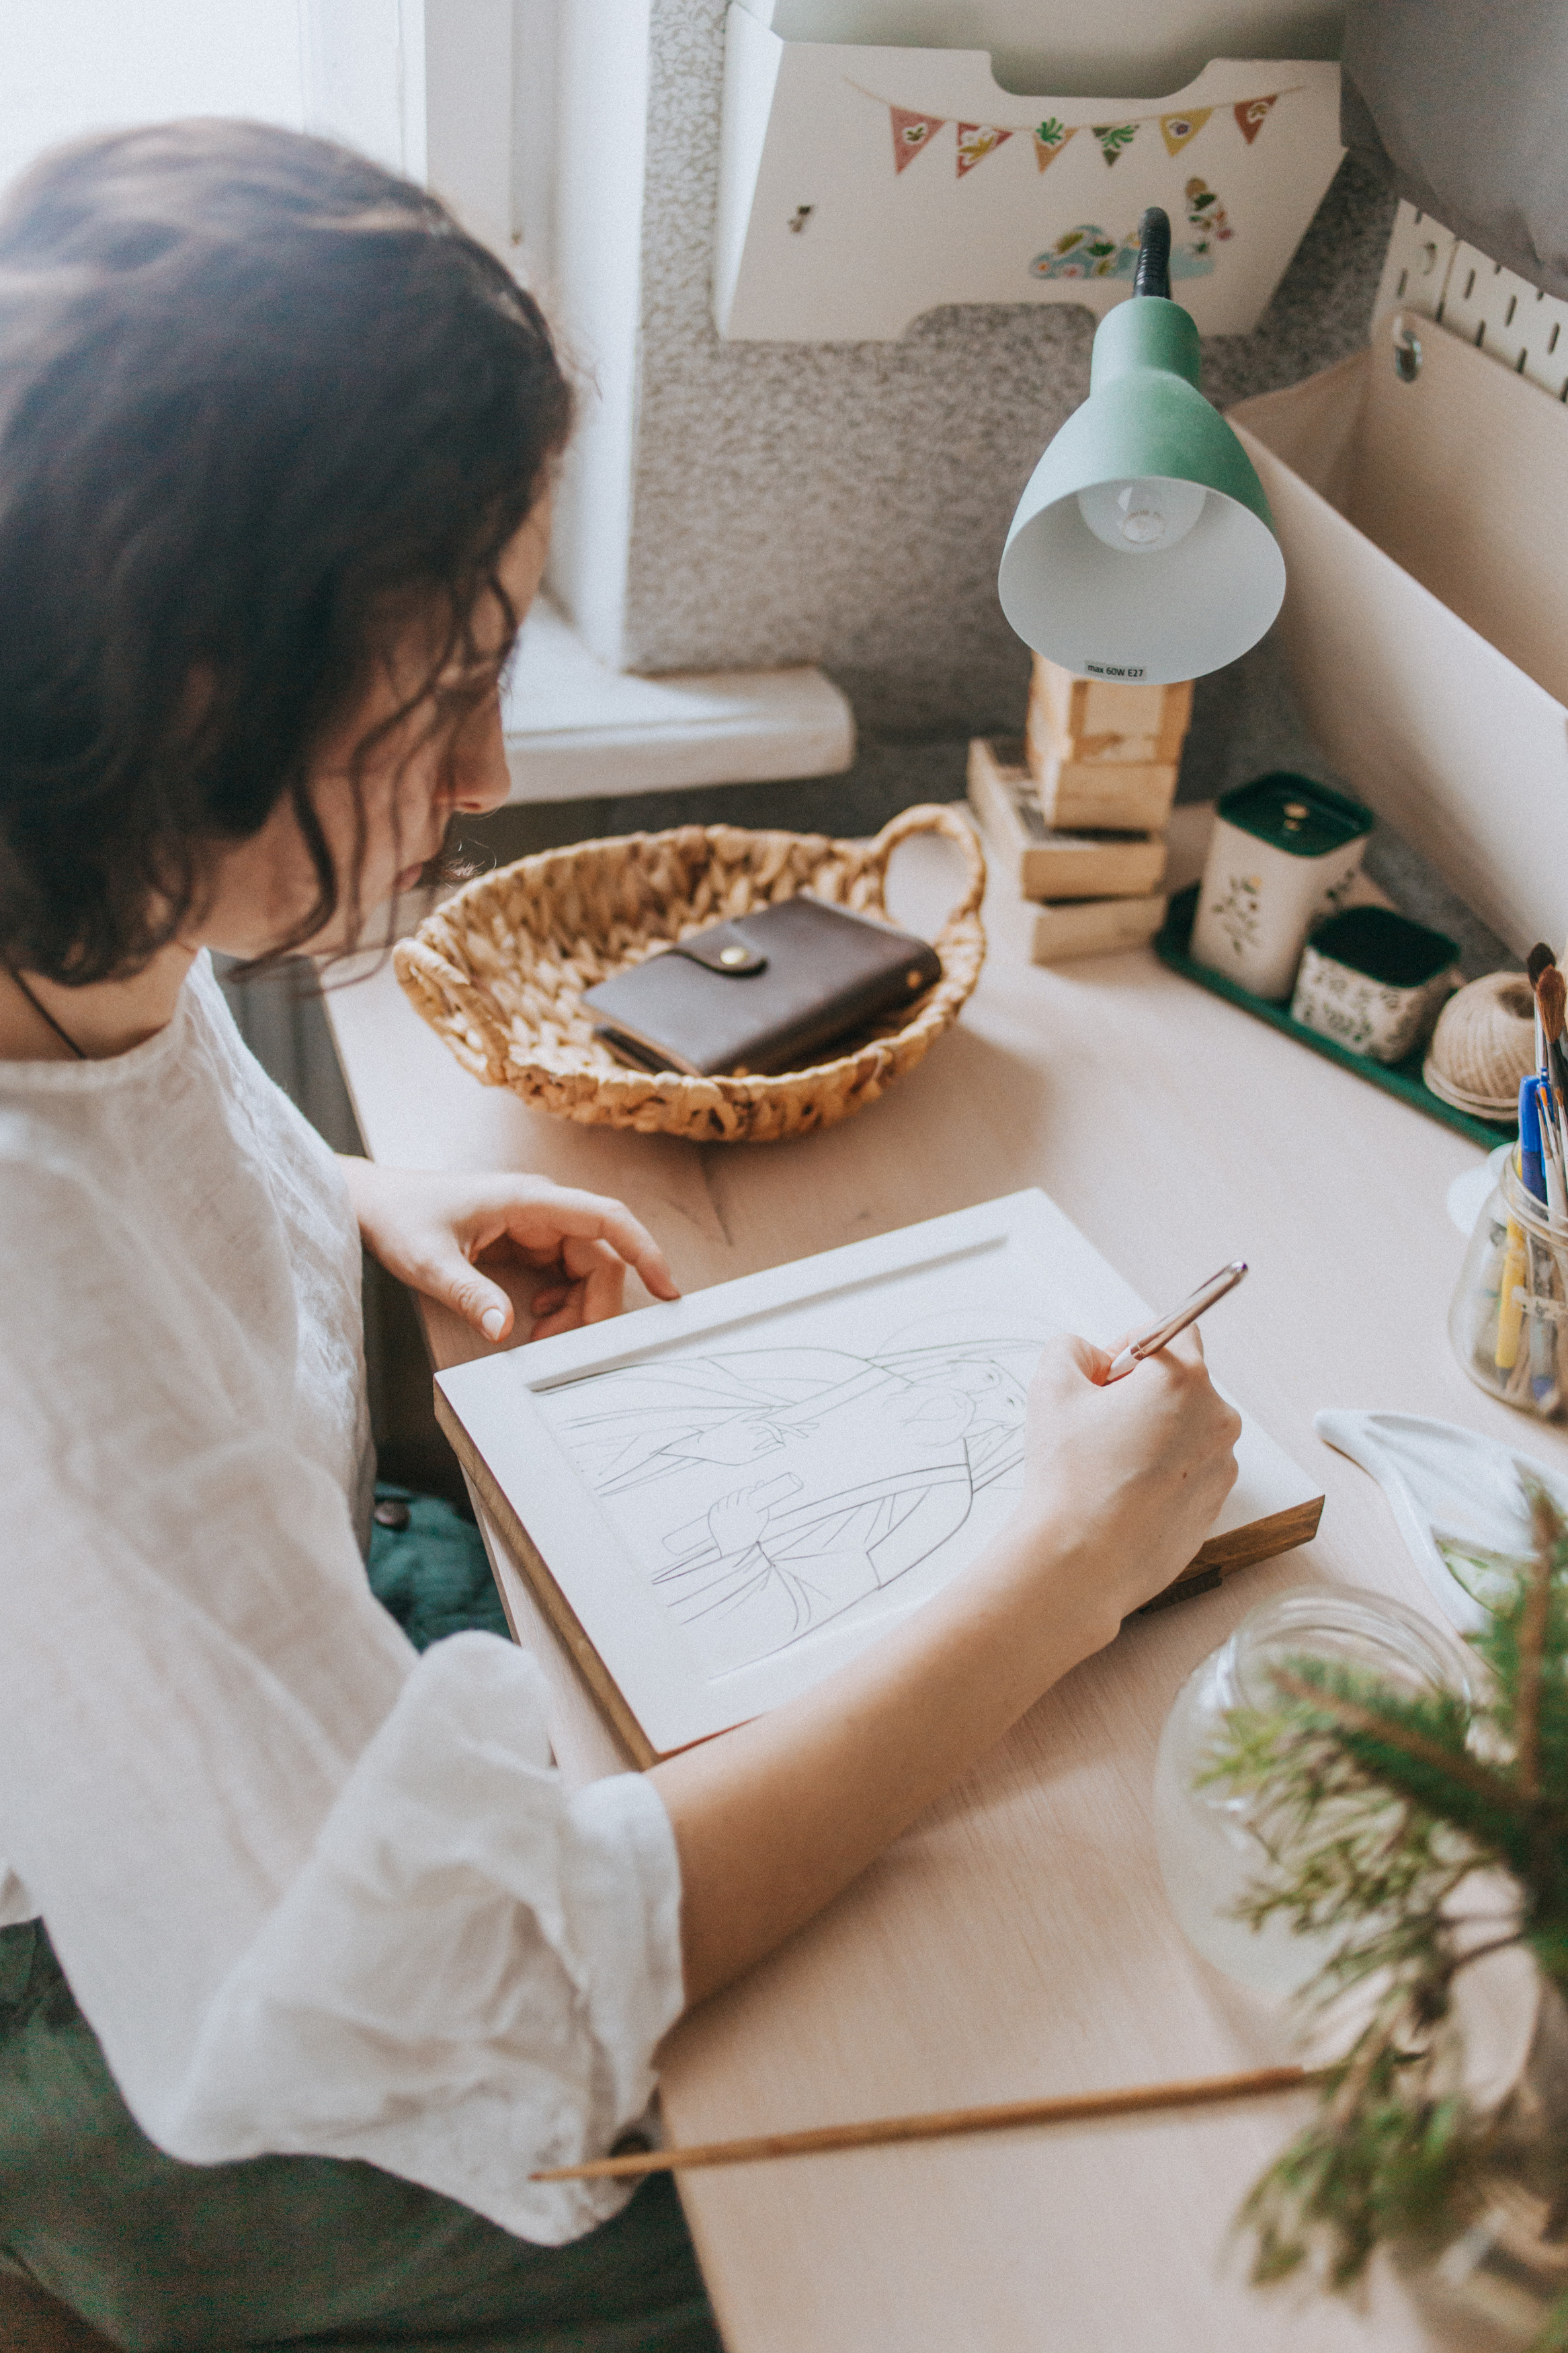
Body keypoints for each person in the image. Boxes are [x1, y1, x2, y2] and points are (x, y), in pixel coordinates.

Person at [0, 120, 1241, 2353]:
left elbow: (122, 1122)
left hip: (291, 1674)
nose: (486, 772)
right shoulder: (42, 1374)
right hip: (119, 2032)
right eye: (443, 682)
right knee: (929, 2215)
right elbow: (516, 1995)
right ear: (191, 692)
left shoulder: (63, 872)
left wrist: (348, 1202)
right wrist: (1056, 1567)